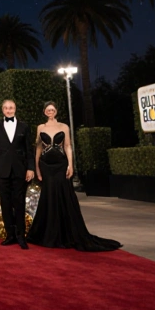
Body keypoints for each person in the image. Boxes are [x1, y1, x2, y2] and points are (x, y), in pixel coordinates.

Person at [28, 102, 122, 252]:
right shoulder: (41, 128)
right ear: (44, 112)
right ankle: (49, 232)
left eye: (52, 109)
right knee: (49, 195)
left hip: (60, 165)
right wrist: (37, 168)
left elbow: (67, 146)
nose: (50, 111)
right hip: (46, 166)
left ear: (56, 111)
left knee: (64, 194)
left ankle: (66, 232)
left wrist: (70, 165)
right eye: (48, 109)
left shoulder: (64, 127)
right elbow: (39, 148)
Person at [0, 100, 34, 249]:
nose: (9, 110)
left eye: (11, 108)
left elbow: (29, 149)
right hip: (2, 170)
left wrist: (30, 168)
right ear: (2, 110)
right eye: (6, 108)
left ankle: (21, 236)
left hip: (20, 170)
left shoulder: (24, 127)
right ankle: (10, 235)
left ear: (15, 109)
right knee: (6, 204)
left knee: (19, 203)